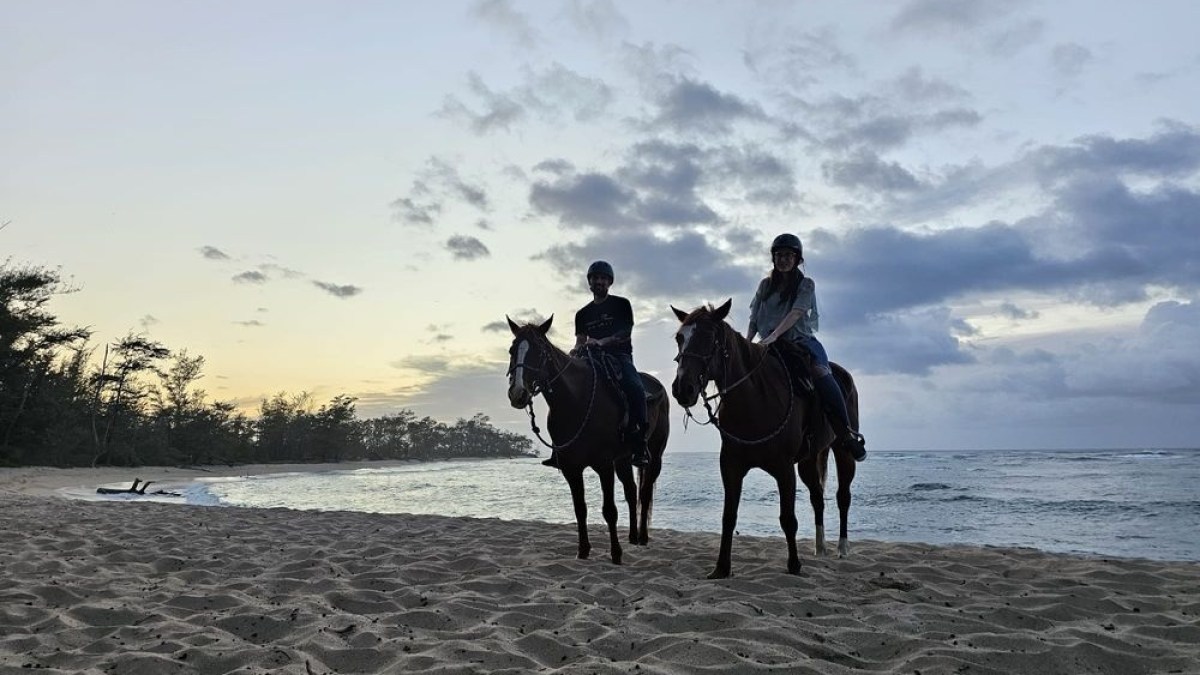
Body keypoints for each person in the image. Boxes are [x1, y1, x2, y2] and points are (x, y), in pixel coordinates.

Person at [747, 233, 867, 461]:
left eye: (789, 256)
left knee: (822, 374)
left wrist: (774, 335)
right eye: (779, 255)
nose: (783, 259)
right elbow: (754, 316)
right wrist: (748, 342)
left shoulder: (805, 285)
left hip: (800, 343)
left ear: (797, 260)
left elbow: (796, 313)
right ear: (773, 258)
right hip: (768, 345)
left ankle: (846, 433)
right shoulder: (765, 285)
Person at [543, 260, 650, 468]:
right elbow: (580, 340)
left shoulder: (621, 305)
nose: (599, 281)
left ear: (609, 282)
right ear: (589, 283)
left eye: (603, 278)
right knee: (565, 387)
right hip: (589, 358)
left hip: (619, 357)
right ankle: (560, 447)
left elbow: (624, 334)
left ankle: (639, 443)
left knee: (635, 388)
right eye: (595, 278)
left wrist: (601, 342)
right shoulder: (582, 314)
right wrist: (573, 353)